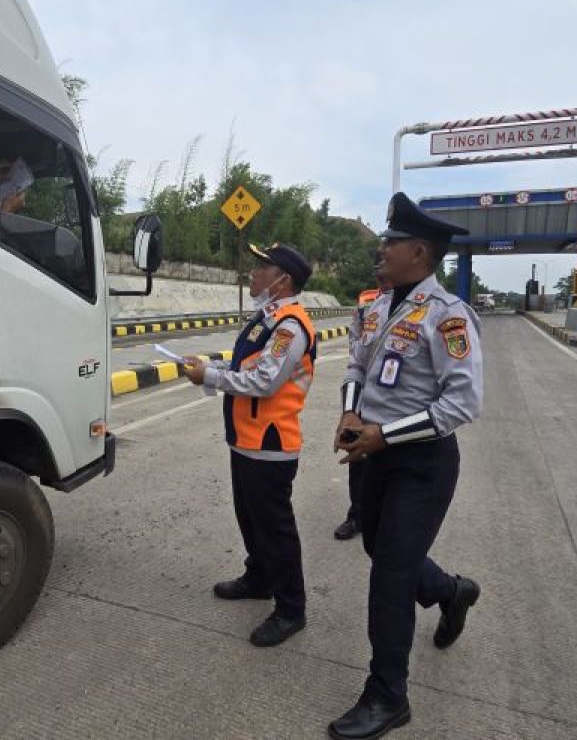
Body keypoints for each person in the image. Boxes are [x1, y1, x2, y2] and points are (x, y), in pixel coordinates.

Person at [328, 193, 484, 740]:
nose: (380, 248)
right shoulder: (375, 306)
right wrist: (351, 409)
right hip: (373, 454)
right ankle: (451, 591)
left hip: (420, 463)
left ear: (418, 251)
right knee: (380, 547)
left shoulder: (449, 318)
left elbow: (461, 404)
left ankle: (388, 695)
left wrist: (383, 434)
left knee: (390, 574)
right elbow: (356, 363)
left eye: (390, 242)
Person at [183, 243, 316, 648]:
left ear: (283, 280)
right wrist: (209, 368)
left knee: (275, 529)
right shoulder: (266, 318)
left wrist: (210, 377)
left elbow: (264, 382)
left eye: (263, 268)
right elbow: (246, 368)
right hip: (246, 439)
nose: (254, 274)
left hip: (270, 444)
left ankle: (291, 608)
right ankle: (259, 577)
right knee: (249, 517)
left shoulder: (290, 325)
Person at [335, 268, 391, 541]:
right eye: (377, 264)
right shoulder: (367, 299)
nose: (381, 268)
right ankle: (356, 514)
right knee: (356, 451)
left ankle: (384, 515)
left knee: (386, 451)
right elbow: (355, 335)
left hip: (391, 392)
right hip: (360, 384)